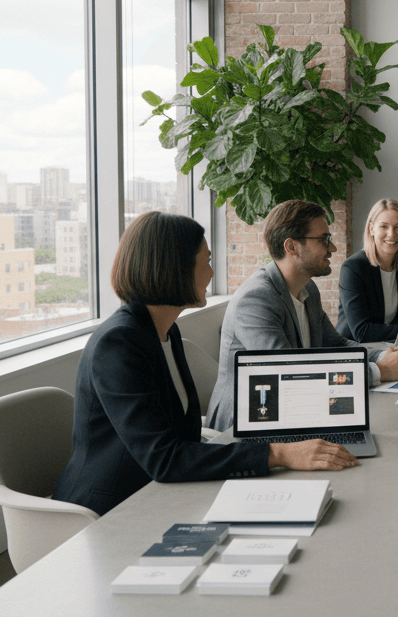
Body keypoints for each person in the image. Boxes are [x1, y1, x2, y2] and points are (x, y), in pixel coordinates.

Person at [52, 212, 358, 517]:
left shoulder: (165, 330)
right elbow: (164, 458)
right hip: (113, 509)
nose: (211, 273)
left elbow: (180, 442)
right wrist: (278, 453)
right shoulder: (118, 344)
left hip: (166, 492)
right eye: (206, 261)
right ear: (175, 268)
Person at [205, 200, 398, 431]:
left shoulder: (307, 289)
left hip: (297, 410)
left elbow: (337, 344)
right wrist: (383, 370)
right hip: (248, 426)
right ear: (292, 247)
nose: (333, 249)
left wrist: (386, 356)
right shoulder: (255, 300)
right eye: (324, 240)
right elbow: (291, 377)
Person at [337, 199, 398, 342]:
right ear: (371, 229)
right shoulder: (353, 268)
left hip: (390, 347)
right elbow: (362, 331)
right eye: (384, 226)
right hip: (355, 351)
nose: (391, 234)